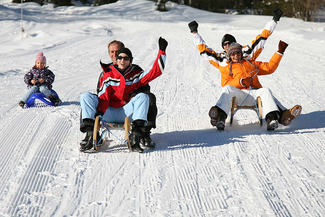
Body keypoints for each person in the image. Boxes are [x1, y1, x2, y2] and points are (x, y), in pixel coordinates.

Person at [188, 9, 301, 127]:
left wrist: (274, 21)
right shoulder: (222, 61)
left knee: (265, 92)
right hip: (236, 94)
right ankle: (219, 116)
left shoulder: (247, 56)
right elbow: (205, 51)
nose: (228, 46)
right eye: (225, 44)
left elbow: (261, 40)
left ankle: (277, 117)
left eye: (230, 43)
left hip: (254, 91)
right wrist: (195, 33)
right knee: (227, 89)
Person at [79, 37, 168, 152]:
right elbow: (103, 97)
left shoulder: (136, 74)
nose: (121, 60)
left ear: (130, 60)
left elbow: (156, 71)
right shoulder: (107, 74)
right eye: (119, 57)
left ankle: (137, 134)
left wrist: (162, 51)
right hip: (107, 111)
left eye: (125, 58)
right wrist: (99, 114)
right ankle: (91, 133)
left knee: (145, 96)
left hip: (127, 112)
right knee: (86, 97)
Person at [203, 41, 288, 131]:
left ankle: (272, 119)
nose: (236, 56)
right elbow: (225, 84)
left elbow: (269, 68)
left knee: (265, 90)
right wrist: (241, 82)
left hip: (254, 95)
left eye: (238, 53)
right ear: (229, 55)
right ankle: (220, 118)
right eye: (233, 54)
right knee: (227, 89)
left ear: (241, 54)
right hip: (238, 96)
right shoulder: (227, 68)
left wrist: (280, 52)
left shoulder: (250, 64)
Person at [95, 40, 158, 148]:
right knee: (91, 99)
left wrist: (133, 93)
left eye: (117, 51)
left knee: (149, 97)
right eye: (111, 52)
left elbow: (145, 88)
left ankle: (144, 133)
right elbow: (100, 92)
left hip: (131, 106)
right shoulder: (106, 72)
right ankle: (91, 133)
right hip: (111, 108)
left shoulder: (135, 70)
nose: (114, 55)